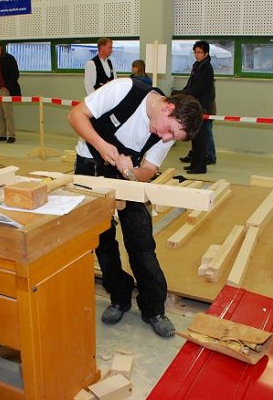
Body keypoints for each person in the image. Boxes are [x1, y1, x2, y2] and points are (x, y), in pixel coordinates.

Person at [68, 77, 203, 338]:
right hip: (91, 165)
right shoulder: (125, 90)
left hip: (126, 175)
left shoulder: (166, 134)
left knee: (141, 240)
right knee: (102, 240)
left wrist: (130, 172)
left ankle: (153, 308)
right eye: (169, 130)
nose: (166, 138)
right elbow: (76, 115)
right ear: (168, 108)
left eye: (173, 137)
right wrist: (101, 146)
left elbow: (148, 170)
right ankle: (119, 296)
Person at [179, 40, 217, 174]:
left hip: (203, 107)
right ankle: (194, 163)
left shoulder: (207, 68)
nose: (197, 55)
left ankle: (200, 166)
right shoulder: (197, 66)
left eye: (200, 52)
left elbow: (198, 89)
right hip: (195, 106)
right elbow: (190, 85)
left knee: (201, 138)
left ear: (206, 53)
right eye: (195, 52)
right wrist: (181, 92)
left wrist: (183, 94)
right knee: (195, 137)